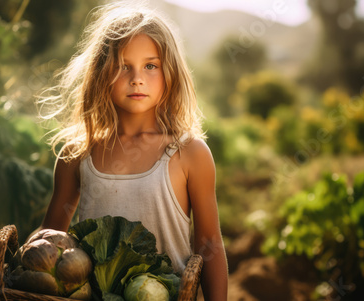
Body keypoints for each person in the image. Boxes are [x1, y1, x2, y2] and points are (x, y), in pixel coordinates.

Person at [32, 3, 228, 300]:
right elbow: (51, 238)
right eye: (123, 66)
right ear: (101, 71)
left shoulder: (189, 153)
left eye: (151, 66)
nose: (137, 78)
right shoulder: (77, 153)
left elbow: (209, 244)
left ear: (170, 72)